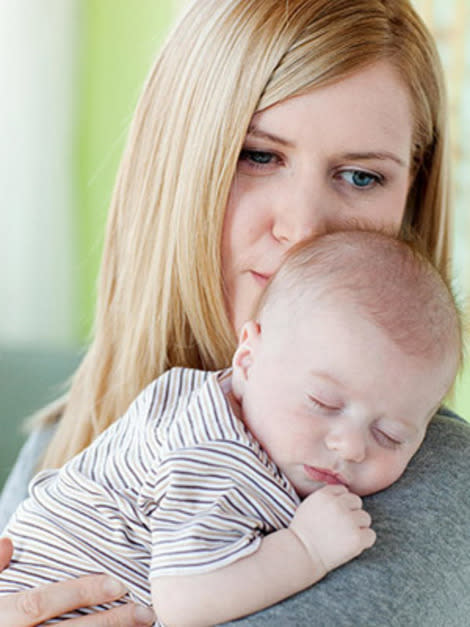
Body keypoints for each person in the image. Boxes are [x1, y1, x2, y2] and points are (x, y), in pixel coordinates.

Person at [1, 0, 469, 625]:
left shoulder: (404, 484)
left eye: (360, 177)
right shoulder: (61, 439)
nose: (303, 229)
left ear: (410, 202)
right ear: (177, 168)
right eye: (259, 156)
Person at [0, 230, 462, 626]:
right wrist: (307, 549)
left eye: (391, 436)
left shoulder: (217, 400)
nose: (351, 446)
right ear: (247, 359)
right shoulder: (218, 450)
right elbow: (184, 601)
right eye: (322, 403)